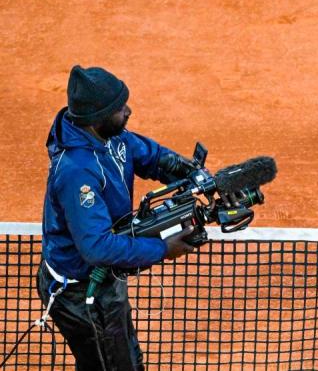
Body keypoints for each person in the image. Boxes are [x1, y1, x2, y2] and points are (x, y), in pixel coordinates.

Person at [37, 65, 198, 371]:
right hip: (80, 293)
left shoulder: (109, 135)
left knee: (127, 360)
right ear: (97, 118)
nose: (128, 111)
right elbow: (97, 247)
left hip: (105, 280)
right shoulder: (77, 171)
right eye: (119, 108)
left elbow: (146, 154)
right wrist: (164, 249)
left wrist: (186, 170)